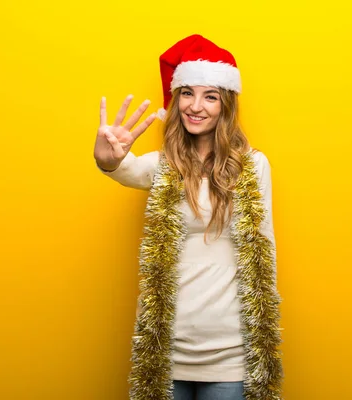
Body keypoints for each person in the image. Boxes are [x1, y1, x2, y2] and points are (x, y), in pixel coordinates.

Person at [94, 34, 283, 400]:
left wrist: (264, 340)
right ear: (176, 98)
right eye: (186, 93)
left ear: (225, 104)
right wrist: (107, 157)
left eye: (210, 96)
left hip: (231, 351)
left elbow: (265, 248)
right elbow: (124, 168)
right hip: (165, 349)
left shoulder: (253, 166)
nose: (196, 106)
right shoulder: (165, 166)